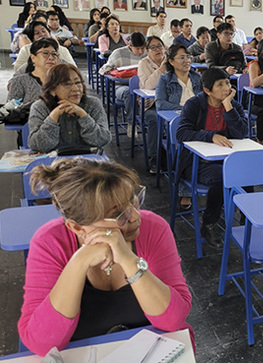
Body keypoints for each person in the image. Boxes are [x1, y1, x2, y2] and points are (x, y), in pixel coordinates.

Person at [18, 158, 192, 356]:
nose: (136, 216)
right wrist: (78, 263)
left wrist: (129, 260)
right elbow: (41, 342)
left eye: (133, 200)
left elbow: (173, 320)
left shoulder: (153, 228)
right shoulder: (50, 242)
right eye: (119, 215)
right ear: (76, 227)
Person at [176, 68, 248, 241]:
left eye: (228, 83)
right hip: (197, 162)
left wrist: (228, 107)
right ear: (207, 90)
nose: (226, 88)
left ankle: (247, 220)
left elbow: (242, 133)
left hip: (225, 158)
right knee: (223, 176)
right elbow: (182, 133)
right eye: (220, 84)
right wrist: (210, 136)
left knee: (246, 174)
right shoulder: (194, 105)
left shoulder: (233, 104)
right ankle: (209, 223)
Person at [28, 64, 111, 152]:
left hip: (87, 160)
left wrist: (83, 116)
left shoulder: (93, 104)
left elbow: (103, 140)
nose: (75, 88)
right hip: (52, 161)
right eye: (67, 84)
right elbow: (37, 145)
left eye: (78, 83)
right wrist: (53, 116)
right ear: (52, 90)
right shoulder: (40, 107)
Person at [138, 36, 166, 172]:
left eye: (160, 46)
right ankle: (154, 157)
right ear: (147, 51)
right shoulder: (144, 63)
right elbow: (147, 86)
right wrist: (161, 70)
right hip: (150, 105)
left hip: (168, 103)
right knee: (155, 119)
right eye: (153, 47)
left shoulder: (171, 60)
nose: (157, 50)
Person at [8, 38, 60, 105]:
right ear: (33, 58)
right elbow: (9, 110)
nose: (51, 57)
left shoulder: (63, 80)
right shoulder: (19, 81)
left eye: (54, 54)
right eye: (45, 53)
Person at [156, 44, 202, 113]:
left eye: (188, 57)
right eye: (182, 57)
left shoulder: (197, 77)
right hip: (177, 116)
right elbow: (160, 104)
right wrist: (184, 109)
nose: (187, 61)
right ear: (171, 61)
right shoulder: (165, 79)